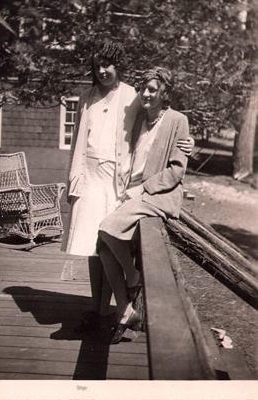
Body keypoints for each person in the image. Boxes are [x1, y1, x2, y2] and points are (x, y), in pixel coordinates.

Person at [61, 41, 193, 334]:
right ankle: (111, 309)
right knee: (96, 246)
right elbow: (82, 143)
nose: (102, 71)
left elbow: (169, 136)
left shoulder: (134, 99)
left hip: (123, 183)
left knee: (106, 235)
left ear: (118, 65)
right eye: (97, 66)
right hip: (98, 178)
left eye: (107, 65)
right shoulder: (88, 98)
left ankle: (121, 301)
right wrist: (74, 180)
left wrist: (188, 145)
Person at [97, 66, 190, 344]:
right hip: (135, 193)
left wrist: (142, 189)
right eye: (143, 89)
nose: (146, 94)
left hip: (158, 195)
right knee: (103, 246)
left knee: (107, 227)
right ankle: (126, 311)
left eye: (152, 89)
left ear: (165, 92)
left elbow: (176, 170)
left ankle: (134, 274)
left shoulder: (177, 121)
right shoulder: (140, 121)